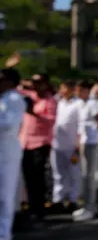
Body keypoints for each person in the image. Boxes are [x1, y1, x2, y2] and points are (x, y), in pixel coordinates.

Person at [19, 73, 57, 222]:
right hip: (25, 142)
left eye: (39, 83)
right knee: (28, 176)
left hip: (40, 143)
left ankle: (39, 209)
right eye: (34, 83)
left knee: (38, 177)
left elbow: (50, 120)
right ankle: (31, 205)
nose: (36, 85)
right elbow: (14, 88)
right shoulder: (30, 95)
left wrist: (33, 113)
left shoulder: (50, 101)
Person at [73, 80, 98, 222]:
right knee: (85, 174)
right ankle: (88, 205)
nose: (77, 92)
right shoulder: (81, 104)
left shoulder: (92, 104)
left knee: (90, 175)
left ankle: (90, 207)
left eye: (79, 90)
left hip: (93, 142)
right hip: (85, 141)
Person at [0, 68, 26, 240]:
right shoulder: (3, 98)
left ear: (9, 81)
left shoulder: (14, 98)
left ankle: (4, 234)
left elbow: (9, 123)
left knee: (4, 194)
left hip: (7, 153)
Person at [50, 80, 82, 213]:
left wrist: (78, 143)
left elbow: (81, 123)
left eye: (64, 88)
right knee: (58, 173)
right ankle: (58, 199)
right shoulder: (58, 102)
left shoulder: (78, 103)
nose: (62, 91)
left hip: (72, 144)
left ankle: (73, 199)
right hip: (57, 143)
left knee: (74, 172)